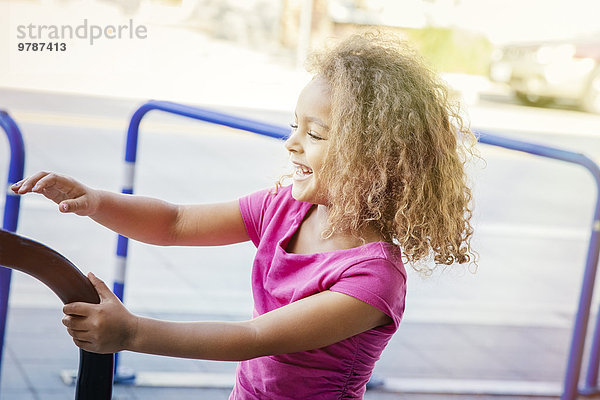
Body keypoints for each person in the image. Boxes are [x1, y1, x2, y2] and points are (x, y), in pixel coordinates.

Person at [12, 32, 477, 399]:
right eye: (294, 126)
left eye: (315, 134)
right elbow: (174, 222)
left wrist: (132, 332)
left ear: (376, 159)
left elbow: (253, 336)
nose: (292, 144)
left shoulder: (372, 279)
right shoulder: (286, 208)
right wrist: (97, 201)